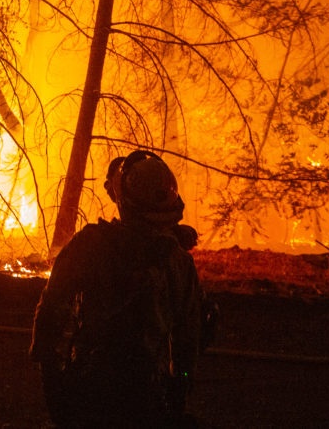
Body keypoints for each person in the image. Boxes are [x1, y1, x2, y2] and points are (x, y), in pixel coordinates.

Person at [31, 150, 203, 427]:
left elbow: (51, 309)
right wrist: (179, 388)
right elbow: (188, 340)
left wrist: (51, 377)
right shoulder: (178, 261)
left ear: (123, 202)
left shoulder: (91, 246)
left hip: (91, 391)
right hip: (149, 396)